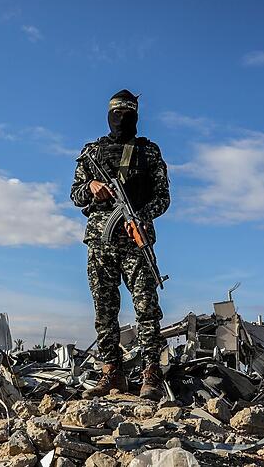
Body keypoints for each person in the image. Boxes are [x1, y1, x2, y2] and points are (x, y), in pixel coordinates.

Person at [70, 89, 171, 400]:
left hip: (136, 242)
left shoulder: (149, 153)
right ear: (109, 115)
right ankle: (112, 373)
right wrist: (91, 186)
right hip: (100, 243)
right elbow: (75, 195)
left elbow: (163, 198)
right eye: (117, 113)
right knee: (104, 311)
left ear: (136, 116)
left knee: (147, 309)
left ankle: (151, 373)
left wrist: (142, 214)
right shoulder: (92, 152)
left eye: (128, 113)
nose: (121, 119)